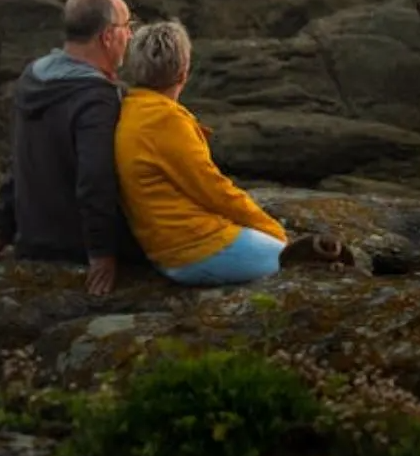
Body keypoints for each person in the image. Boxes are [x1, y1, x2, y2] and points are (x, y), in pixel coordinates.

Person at [0, 0, 146, 295]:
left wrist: (3, 230)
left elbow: (17, 159)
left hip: (32, 239)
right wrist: (102, 254)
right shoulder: (96, 98)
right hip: (75, 245)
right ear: (107, 37)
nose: (130, 35)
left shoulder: (32, 77)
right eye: (126, 26)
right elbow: (95, 180)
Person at [116, 19, 293, 287]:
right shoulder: (165, 120)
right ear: (183, 73)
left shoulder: (131, 109)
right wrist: (273, 230)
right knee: (306, 264)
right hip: (196, 249)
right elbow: (213, 189)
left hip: (167, 248)